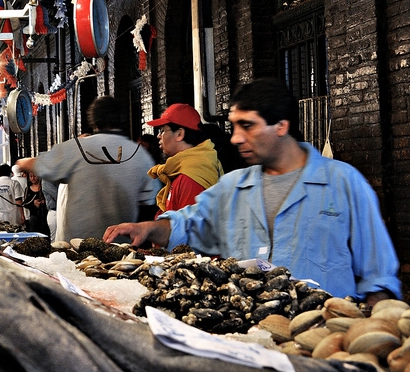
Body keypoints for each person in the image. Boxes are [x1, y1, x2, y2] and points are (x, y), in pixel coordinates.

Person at [104, 78, 401, 306]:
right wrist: (148, 228)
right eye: (234, 126)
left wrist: (371, 323)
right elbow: (188, 223)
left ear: (281, 125)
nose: (235, 138)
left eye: (247, 126)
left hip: (320, 342)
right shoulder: (233, 187)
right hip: (250, 335)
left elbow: (379, 275)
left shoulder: (343, 184)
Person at [17, 96, 158, 242]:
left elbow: (33, 165)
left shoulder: (76, 148)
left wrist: (21, 161)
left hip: (79, 249)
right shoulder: (140, 154)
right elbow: (149, 200)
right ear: (122, 119)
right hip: (122, 248)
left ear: (93, 120)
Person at [146, 103, 224, 217]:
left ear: (179, 134)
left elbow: (189, 230)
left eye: (162, 130)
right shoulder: (184, 169)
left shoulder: (190, 178)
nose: (158, 136)